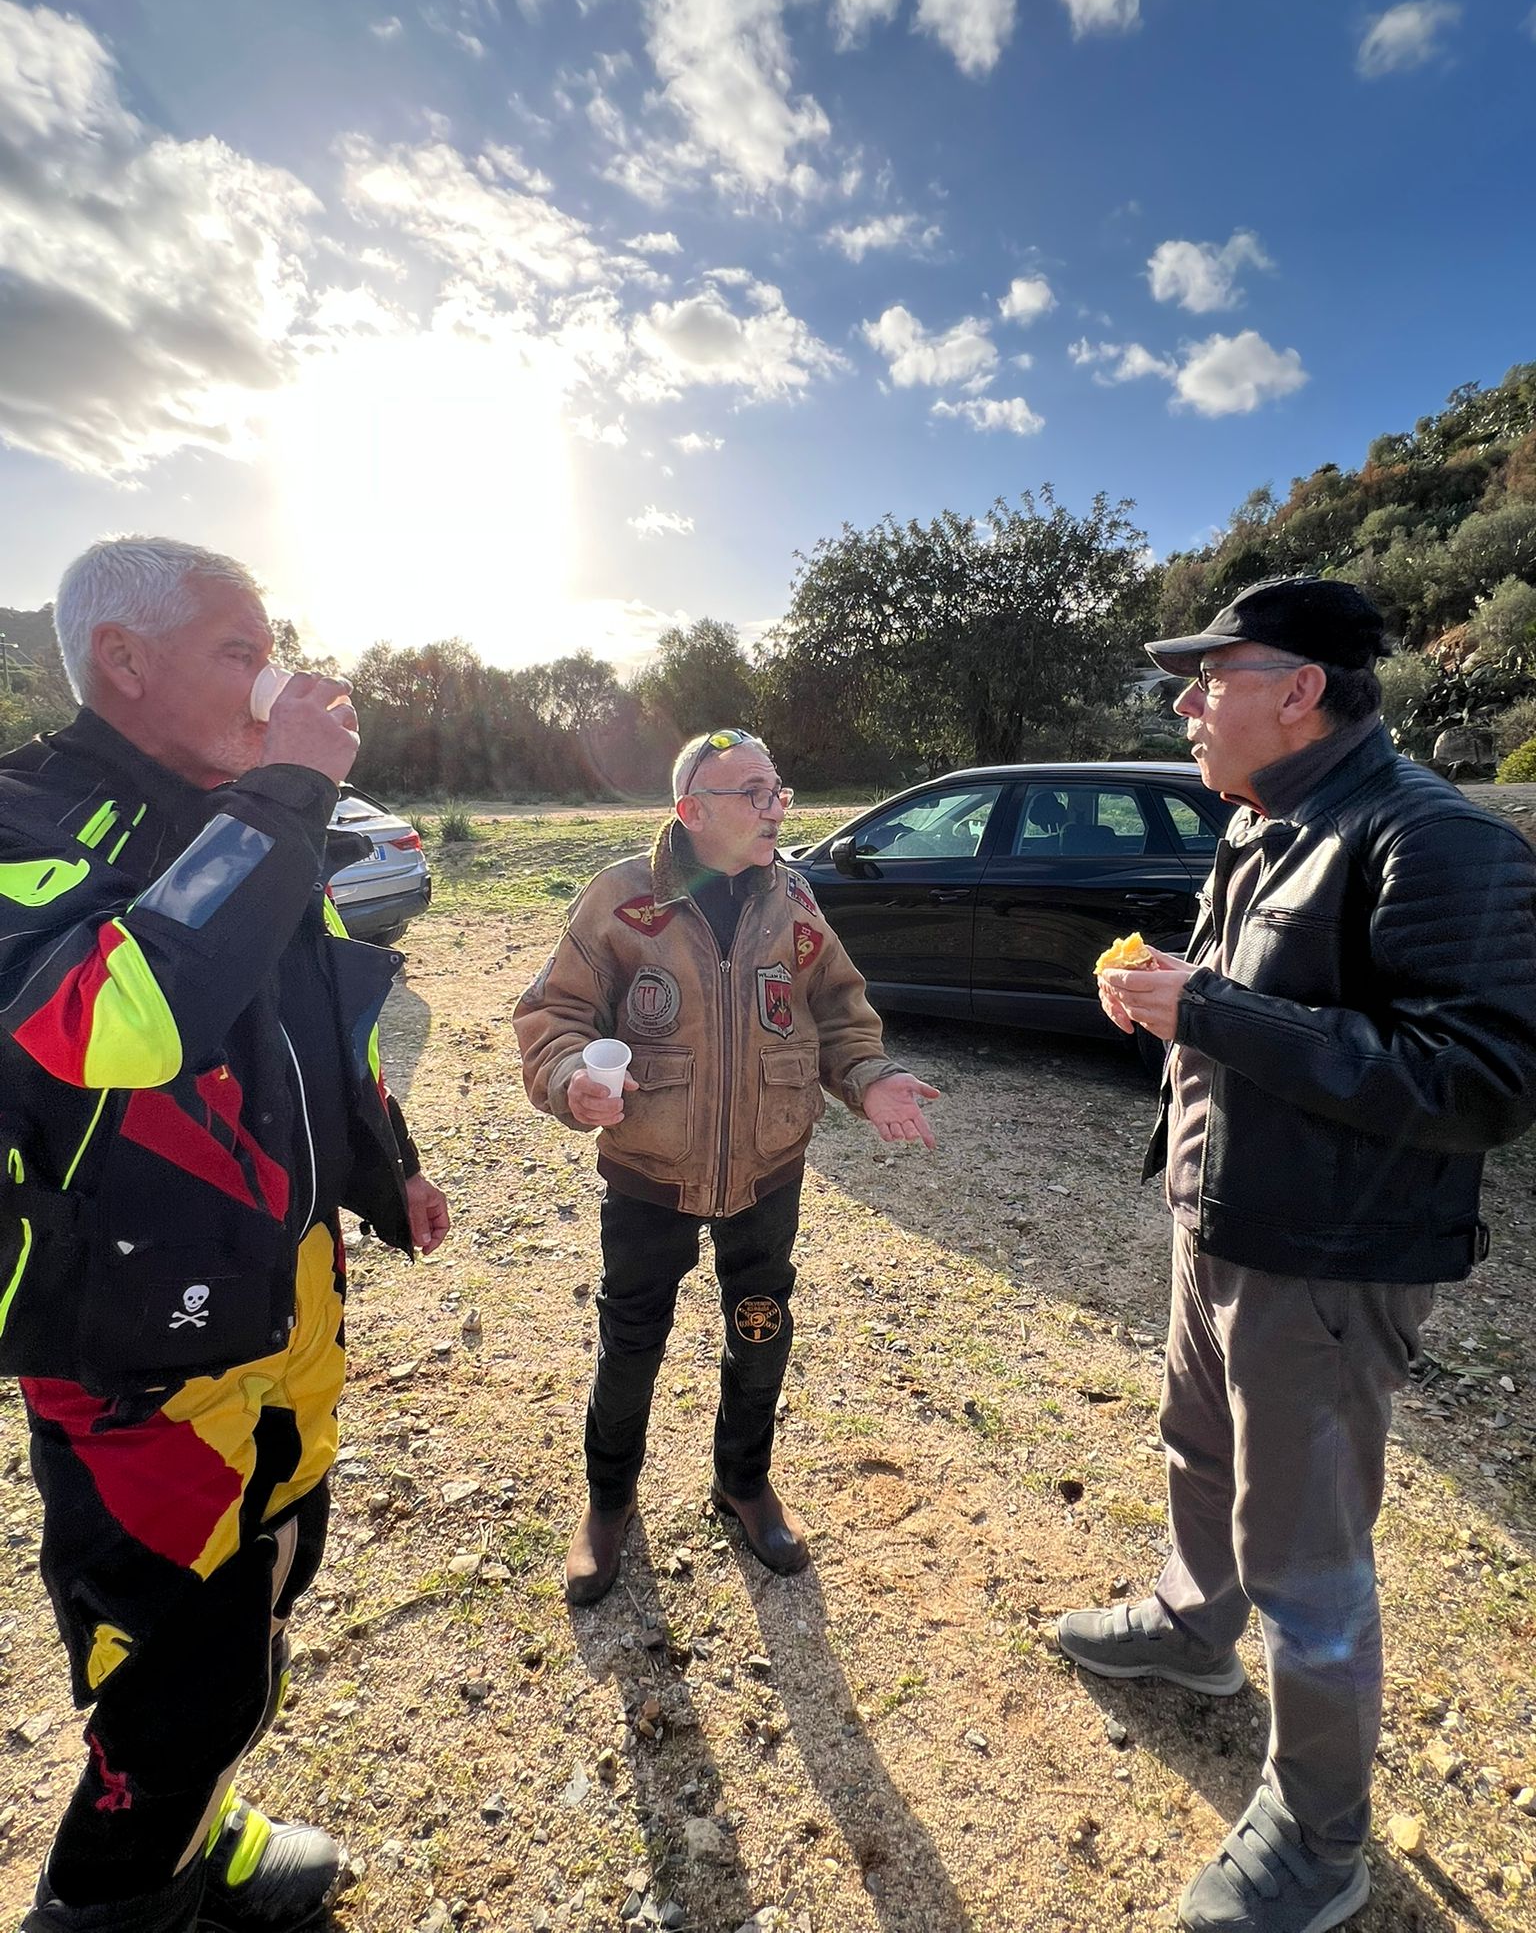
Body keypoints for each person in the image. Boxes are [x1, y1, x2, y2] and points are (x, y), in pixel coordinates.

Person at [1057, 576, 1536, 1933]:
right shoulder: (1261, 822)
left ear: (1301, 690)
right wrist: (1174, 1008)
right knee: (1197, 1450)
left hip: (1327, 1261)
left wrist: (1210, 1007)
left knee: (1307, 1553)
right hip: (1219, 1223)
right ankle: (1192, 1626)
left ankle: (1319, 1839)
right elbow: (1266, 1014)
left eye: (1211, 676)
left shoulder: (1437, 837)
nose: (1185, 703)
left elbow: (1484, 1080)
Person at [0, 538, 450, 1933]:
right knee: (171, 1668)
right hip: (133, 1341)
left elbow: (315, 1023)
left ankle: (202, 1833)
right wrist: (291, 789)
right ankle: (107, 1900)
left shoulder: (242, 817)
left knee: (267, 1582)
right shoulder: (25, 817)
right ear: (124, 661)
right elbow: (120, 1025)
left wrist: (387, 1168)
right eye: (241, 654)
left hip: (284, 1296)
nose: (274, 685)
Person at [515, 728, 939, 1604]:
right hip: (649, 1172)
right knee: (631, 1339)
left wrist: (871, 1077)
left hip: (766, 1170)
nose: (774, 806)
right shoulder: (621, 900)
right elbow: (555, 1015)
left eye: (777, 788)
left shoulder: (795, 901)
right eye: (752, 792)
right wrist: (569, 1080)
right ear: (691, 811)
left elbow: (839, 1013)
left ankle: (743, 1483)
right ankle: (608, 1501)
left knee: (760, 1325)